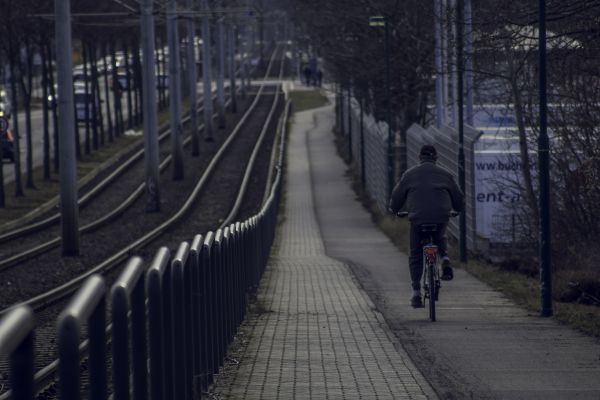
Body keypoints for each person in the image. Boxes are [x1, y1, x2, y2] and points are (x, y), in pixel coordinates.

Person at [388, 144, 464, 308]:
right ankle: (444, 258)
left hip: (418, 219)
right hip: (440, 216)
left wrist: (394, 210)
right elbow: (459, 198)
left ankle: (416, 293)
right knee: (440, 235)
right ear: (436, 157)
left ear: (419, 157)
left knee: (416, 253)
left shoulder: (409, 175)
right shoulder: (446, 175)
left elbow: (397, 196)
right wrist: (457, 209)